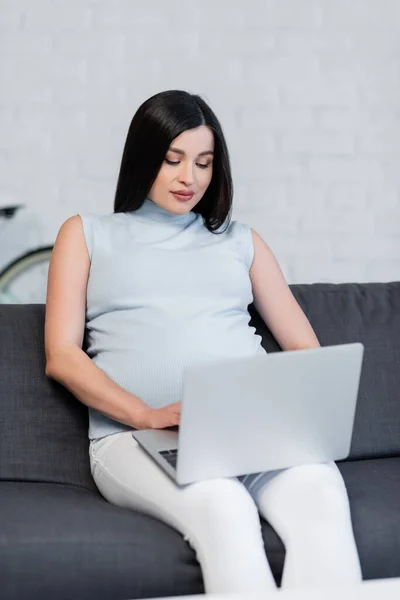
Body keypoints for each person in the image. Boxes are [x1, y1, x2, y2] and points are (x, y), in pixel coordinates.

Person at [44, 89, 362, 594]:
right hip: (134, 438)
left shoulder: (243, 240)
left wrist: (285, 415)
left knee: (322, 493)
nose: (188, 177)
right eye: (172, 160)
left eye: (204, 162)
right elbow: (62, 355)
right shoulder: (85, 234)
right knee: (224, 506)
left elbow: (304, 349)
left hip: (250, 434)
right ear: (144, 157)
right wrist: (144, 414)